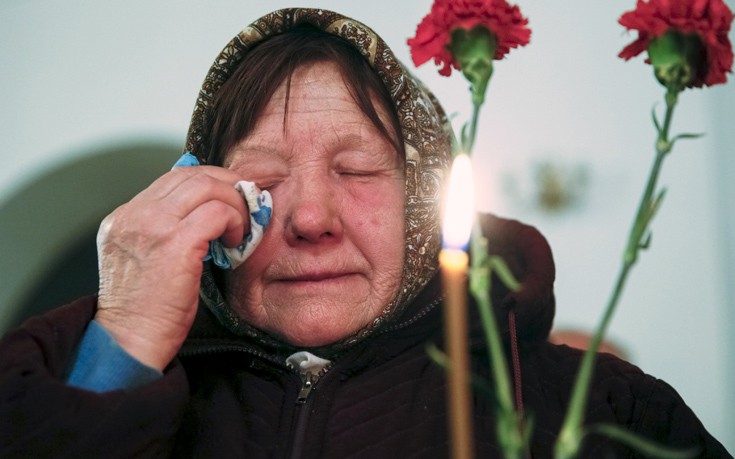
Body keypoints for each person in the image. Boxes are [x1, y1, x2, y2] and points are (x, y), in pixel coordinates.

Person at [0, 8, 729, 458]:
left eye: (356, 170)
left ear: (421, 200)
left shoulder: (603, 413)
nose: (311, 219)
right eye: (267, 179)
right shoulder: (38, 392)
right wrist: (122, 342)